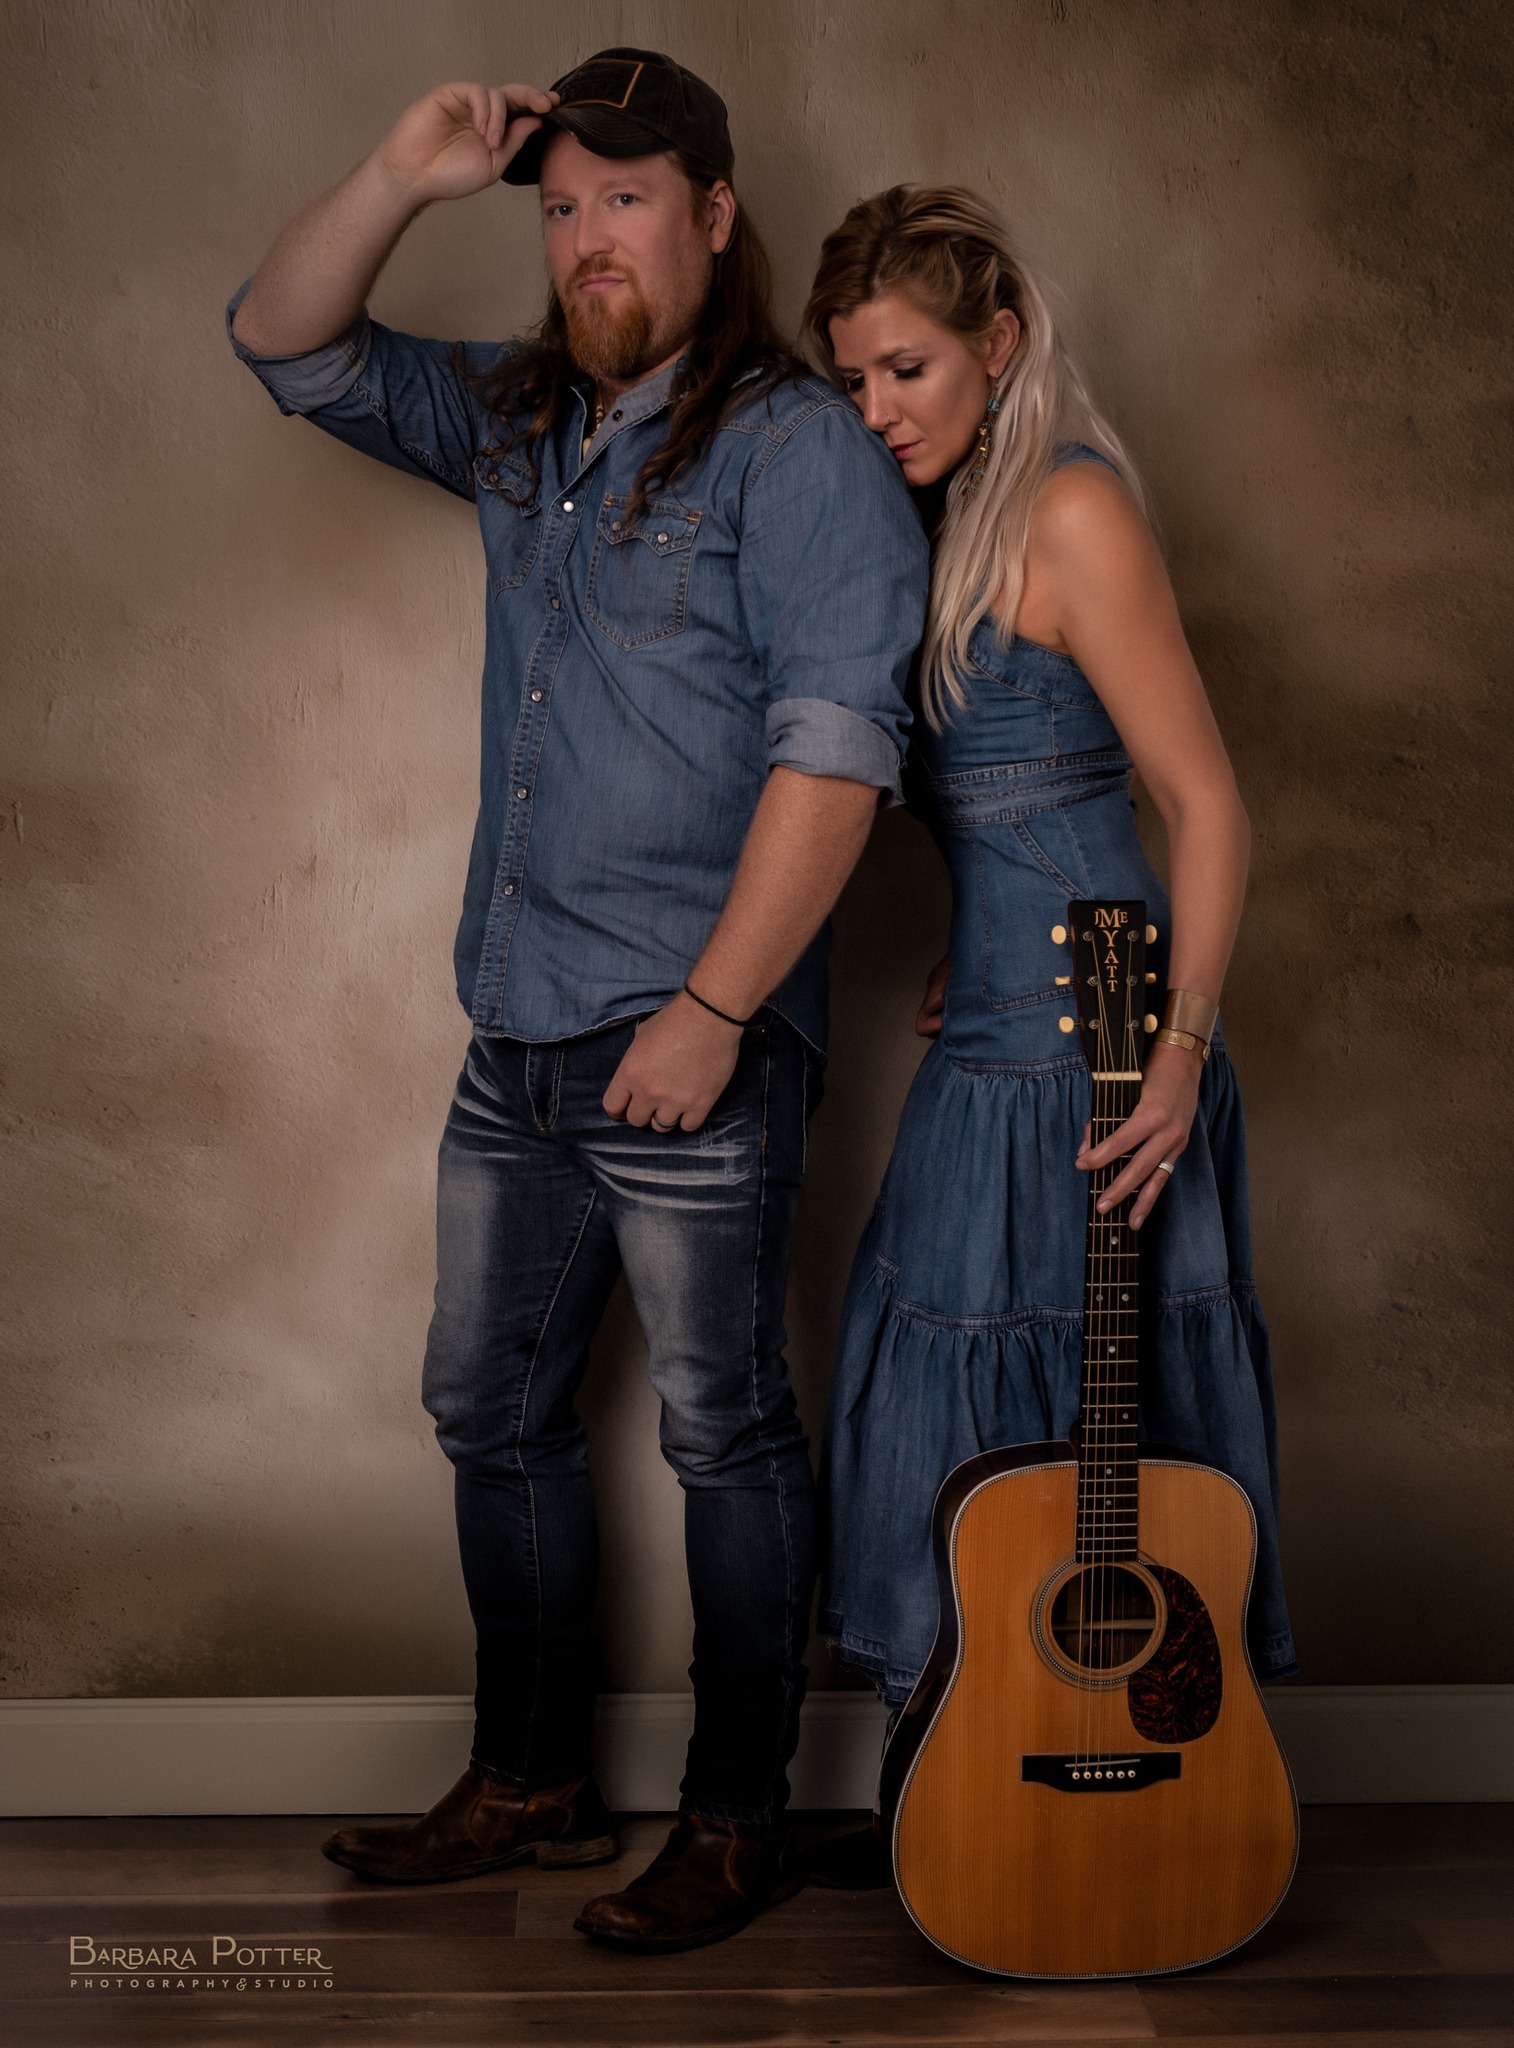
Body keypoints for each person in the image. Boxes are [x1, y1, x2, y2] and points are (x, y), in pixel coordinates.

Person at [226, 51, 926, 1951]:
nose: (587, 238)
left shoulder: (798, 451)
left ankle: (736, 1820)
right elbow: (284, 341)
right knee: (489, 1406)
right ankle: (530, 1776)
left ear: (714, 213)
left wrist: (713, 1009)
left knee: (720, 1429)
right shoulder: (524, 420)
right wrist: (403, 170)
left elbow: (839, 756)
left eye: (626, 199)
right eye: (559, 207)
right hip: (517, 1024)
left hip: (692, 1033)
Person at [799, 186, 1296, 1884]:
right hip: (995, 1039)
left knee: (1099, 1432)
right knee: (946, 1395)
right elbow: (1021, 790)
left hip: (1106, 1057)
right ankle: (968, 1785)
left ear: (998, 346)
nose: (879, 410)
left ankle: (1113, 1800)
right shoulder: (930, 525)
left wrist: (1178, 1052)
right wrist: (979, 925)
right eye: (854, 379)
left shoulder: (1069, 511)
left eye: (909, 370)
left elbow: (1202, 803)